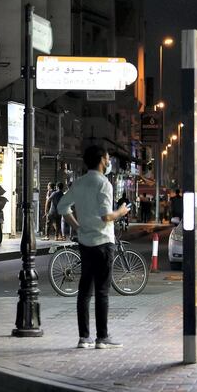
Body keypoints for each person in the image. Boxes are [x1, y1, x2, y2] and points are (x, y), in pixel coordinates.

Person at [57, 145, 130, 350]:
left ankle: (84, 338)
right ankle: (102, 337)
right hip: (103, 242)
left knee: (84, 291)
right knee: (102, 292)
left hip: (85, 242)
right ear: (100, 160)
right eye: (107, 159)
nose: (108, 162)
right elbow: (107, 216)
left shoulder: (78, 183)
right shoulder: (103, 183)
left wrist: (77, 226)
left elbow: (63, 207)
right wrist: (122, 212)